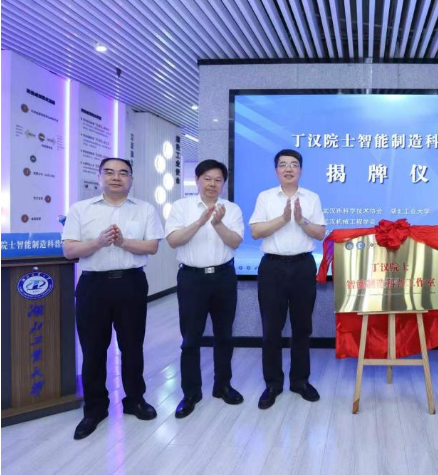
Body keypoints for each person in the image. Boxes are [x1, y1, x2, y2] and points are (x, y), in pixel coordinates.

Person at [62, 157, 163, 440]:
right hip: (93, 285)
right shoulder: (80, 209)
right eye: (109, 172)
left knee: (132, 346)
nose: (116, 177)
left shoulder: (145, 209)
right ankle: (95, 408)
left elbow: (152, 246)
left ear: (131, 179)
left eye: (123, 173)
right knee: (93, 349)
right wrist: (98, 242)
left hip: (131, 283)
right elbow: (69, 251)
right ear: (99, 177)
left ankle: (135, 400)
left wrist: (122, 242)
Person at [166, 159, 244, 418]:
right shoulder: (181, 207)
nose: (212, 184)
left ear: (224, 183)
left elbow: (235, 242)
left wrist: (218, 224)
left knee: (224, 336)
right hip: (192, 279)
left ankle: (223, 385)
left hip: (224, 277)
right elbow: (173, 240)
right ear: (197, 179)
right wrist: (200, 222)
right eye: (207, 179)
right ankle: (191, 392)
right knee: (190, 338)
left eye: (218, 180)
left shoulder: (231, 209)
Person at [250, 149, 326, 409]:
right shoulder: (265, 197)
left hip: (303, 266)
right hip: (272, 268)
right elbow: (256, 232)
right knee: (271, 329)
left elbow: (320, 234)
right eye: (283, 165)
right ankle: (273, 383)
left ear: (300, 170)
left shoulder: (312, 198)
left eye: (294, 164)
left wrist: (301, 220)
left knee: (302, 328)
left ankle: (300, 381)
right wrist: (283, 219)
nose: (288, 169)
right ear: (276, 171)